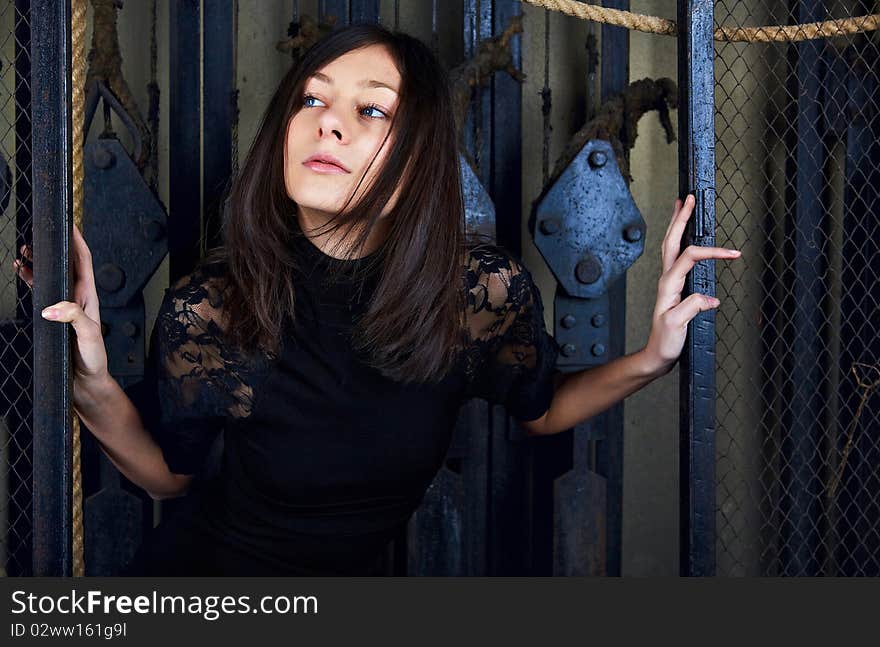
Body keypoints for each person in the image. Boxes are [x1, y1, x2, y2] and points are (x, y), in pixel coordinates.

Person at [14, 23, 741, 576]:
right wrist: (88, 379)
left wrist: (653, 355)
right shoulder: (212, 306)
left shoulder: (475, 293)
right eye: (312, 97)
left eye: (372, 111)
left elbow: (542, 408)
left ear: (412, 165)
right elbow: (168, 475)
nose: (328, 120)